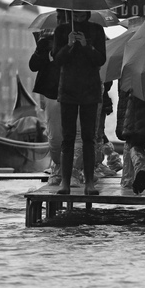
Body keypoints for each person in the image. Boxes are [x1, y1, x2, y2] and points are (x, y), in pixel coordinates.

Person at [53, 10, 106, 195]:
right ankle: (65, 182)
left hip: (90, 90)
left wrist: (86, 46)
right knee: (67, 138)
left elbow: (100, 59)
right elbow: (57, 59)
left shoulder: (96, 30)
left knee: (88, 137)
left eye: (82, 12)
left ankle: (89, 182)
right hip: (68, 89)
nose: (79, 15)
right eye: (76, 12)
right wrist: (68, 45)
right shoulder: (61, 31)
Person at [28, 13, 65, 186]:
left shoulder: (81, 36)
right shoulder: (45, 41)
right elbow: (33, 65)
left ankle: (74, 170)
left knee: (77, 135)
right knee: (56, 136)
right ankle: (58, 167)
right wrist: (47, 52)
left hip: (76, 92)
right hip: (52, 92)